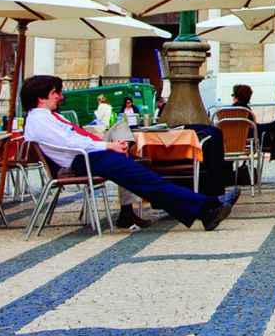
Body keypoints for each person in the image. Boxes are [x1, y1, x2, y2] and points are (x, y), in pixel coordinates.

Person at [20, 74, 237, 232]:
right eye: (55, 93)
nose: (60, 97)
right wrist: (108, 146)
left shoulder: (45, 116)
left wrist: (111, 145)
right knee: (144, 178)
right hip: (81, 161)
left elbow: (73, 138)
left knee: (145, 176)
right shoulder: (39, 118)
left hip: (87, 157)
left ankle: (204, 208)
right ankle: (207, 207)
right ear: (41, 97)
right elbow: (70, 142)